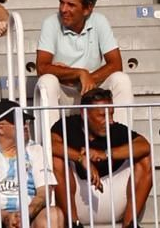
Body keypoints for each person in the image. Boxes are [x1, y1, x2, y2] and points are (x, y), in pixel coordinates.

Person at [49, 87, 153, 228]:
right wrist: (81, 158)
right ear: (84, 113)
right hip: (78, 197)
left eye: (111, 114)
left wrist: (105, 154)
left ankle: (129, 225)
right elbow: (50, 145)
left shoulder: (116, 129)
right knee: (56, 160)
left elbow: (144, 145)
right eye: (102, 116)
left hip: (113, 196)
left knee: (144, 158)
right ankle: (74, 224)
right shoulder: (67, 125)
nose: (110, 120)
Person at [34, 0, 135, 112]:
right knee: (47, 81)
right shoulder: (51, 23)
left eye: (71, 5)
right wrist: (79, 73)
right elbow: (41, 68)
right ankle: (51, 127)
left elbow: (116, 64)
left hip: (92, 92)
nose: (63, 9)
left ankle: (120, 127)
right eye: (61, 2)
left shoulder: (99, 21)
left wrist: (87, 79)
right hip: (63, 92)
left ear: (87, 9)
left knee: (121, 80)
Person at [0, 98, 62, 228]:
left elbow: (44, 191)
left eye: (25, 122)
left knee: (54, 215)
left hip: (30, 214)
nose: (25, 126)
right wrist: (4, 216)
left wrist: (27, 213)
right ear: (0, 128)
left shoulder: (35, 149)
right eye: (19, 122)